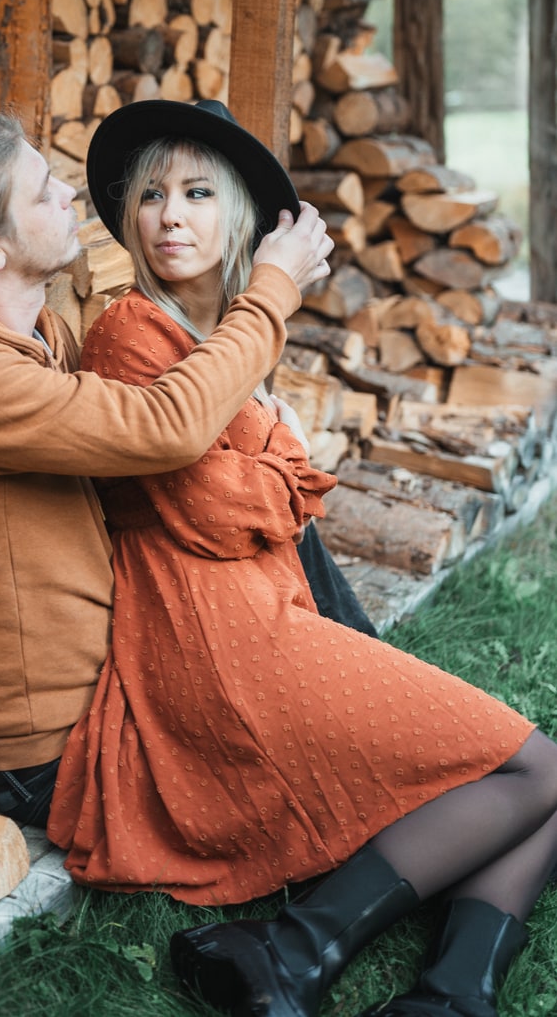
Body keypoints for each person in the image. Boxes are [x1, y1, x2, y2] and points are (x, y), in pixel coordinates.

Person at [44, 98, 557, 1017]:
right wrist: (282, 459)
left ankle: (448, 994)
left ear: (239, 214)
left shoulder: (229, 336)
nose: (170, 215)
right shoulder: (131, 332)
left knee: (534, 778)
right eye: (152, 194)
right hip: (212, 641)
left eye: (199, 192)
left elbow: (266, 496)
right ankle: (295, 945)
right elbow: (215, 509)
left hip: (262, 615)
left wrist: (274, 463)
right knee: (537, 773)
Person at [0, 109, 334, 831]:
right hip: (53, 755)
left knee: (335, 758)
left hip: (116, 689)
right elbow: (168, 427)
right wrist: (272, 289)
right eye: (44, 190)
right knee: (324, 801)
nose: (72, 197)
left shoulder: (33, 339)